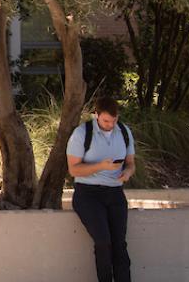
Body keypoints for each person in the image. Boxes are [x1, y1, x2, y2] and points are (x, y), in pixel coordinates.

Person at [66, 96, 136, 282]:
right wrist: (101, 166)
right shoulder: (82, 134)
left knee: (119, 245)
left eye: (114, 120)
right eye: (106, 120)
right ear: (96, 115)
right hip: (88, 194)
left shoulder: (124, 132)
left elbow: (131, 164)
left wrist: (127, 173)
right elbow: (73, 169)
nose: (110, 124)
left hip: (115, 194)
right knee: (104, 242)